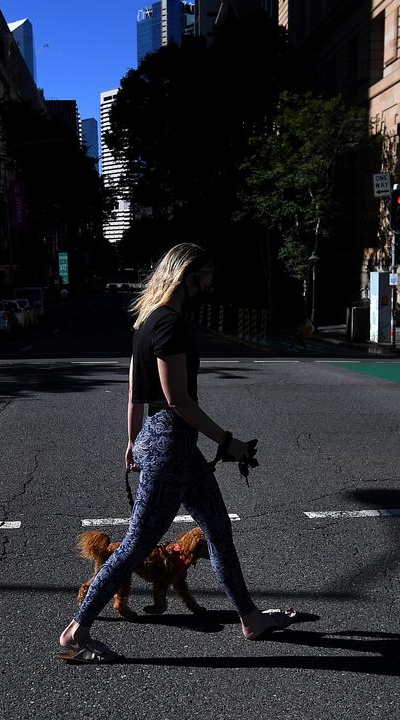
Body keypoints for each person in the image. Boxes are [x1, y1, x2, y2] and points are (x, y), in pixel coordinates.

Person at [57, 243, 297, 664]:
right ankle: (77, 629)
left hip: (169, 445)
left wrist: (133, 441)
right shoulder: (170, 326)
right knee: (135, 545)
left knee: (219, 530)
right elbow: (178, 400)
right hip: (170, 446)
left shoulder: (147, 322)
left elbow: (136, 393)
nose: (211, 283)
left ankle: (250, 617)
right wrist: (228, 443)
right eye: (206, 276)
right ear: (187, 276)